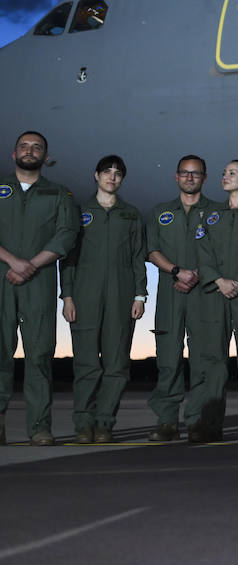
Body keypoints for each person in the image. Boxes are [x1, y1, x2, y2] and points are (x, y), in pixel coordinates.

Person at [0, 132, 79, 446]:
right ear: (13, 154)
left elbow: (66, 234)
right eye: (24, 146)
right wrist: (12, 262)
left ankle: (39, 428)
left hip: (40, 282)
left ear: (46, 157)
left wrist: (30, 264)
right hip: (2, 280)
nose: (29, 151)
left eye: (37, 148)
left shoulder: (59, 194)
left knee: (40, 357)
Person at [60, 155, 145, 444]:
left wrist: (139, 295)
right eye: (107, 172)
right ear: (96, 175)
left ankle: (105, 423)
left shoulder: (131, 215)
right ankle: (84, 424)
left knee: (117, 364)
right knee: (86, 364)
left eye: (118, 173)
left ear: (122, 179)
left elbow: (137, 259)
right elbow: (68, 258)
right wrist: (67, 295)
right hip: (84, 296)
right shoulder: (78, 212)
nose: (112, 177)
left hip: (122, 297)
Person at [192, 159, 238, 443]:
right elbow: (202, 249)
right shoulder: (209, 215)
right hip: (214, 293)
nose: (225, 177)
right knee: (214, 360)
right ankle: (210, 426)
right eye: (224, 173)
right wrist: (218, 280)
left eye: (232, 173)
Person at [145, 154, 217, 442]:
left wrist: (196, 274)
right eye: (185, 173)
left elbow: (221, 251)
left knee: (202, 360)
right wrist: (177, 271)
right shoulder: (160, 212)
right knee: (168, 360)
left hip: (204, 294)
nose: (190, 178)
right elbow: (151, 250)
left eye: (196, 173)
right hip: (170, 293)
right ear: (176, 177)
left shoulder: (216, 212)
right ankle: (166, 421)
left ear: (204, 178)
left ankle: (196, 420)